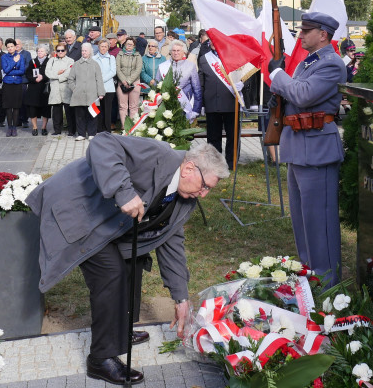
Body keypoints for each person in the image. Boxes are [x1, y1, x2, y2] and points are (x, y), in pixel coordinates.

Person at [26, 136, 229, 385]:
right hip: (80, 210)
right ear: (189, 169)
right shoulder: (157, 155)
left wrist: (181, 297)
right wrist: (123, 193)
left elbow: (171, 241)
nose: (204, 194)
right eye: (205, 186)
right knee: (111, 273)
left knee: (134, 260)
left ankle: (119, 331)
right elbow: (102, 144)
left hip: (109, 223)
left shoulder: (186, 197)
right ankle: (101, 359)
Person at [268, 12, 347, 286]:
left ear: (323, 34)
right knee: (302, 224)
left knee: (320, 225)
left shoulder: (332, 64)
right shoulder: (307, 63)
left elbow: (302, 95)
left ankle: (328, 289)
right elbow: (294, 95)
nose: (300, 35)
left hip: (317, 151)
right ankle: (308, 281)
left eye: (305, 30)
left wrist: (277, 74)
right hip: (299, 148)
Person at [198, 40, 240, 170]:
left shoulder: (233, 56)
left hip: (230, 102)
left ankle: (231, 163)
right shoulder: (204, 58)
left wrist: (242, 84)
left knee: (232, 136)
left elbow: (245, 74)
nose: (213, 42)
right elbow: (201, 82)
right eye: (211, 40)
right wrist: (202, 104)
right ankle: (214, 164)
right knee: (213, 136)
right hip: (211, 102)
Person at [157, 41, 201, 123]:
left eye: (178, 50)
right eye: (174, 50)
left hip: (186, 107)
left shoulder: (191, 66)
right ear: (170, 52)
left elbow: (197, 89)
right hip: (167, 108)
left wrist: (196, 110)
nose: (176, 53)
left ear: (183, 52)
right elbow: (157, 86)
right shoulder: (163, 66)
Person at [69, 43, 104, 141]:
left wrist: (101, 92)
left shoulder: (95, 64)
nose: (84, 53)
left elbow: (99, 80)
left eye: (86, 51)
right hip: (78, 94)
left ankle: (92, 133)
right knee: (80, 115)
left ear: (90, 52)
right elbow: (70, 79)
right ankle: (81, 134)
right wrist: (74, 88)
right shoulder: (76, 64)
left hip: (92, 94)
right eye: (82, 51)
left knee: (92, 114)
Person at [0, 38, 27, 136]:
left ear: (15, 47)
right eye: (8, 47)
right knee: (8, 106)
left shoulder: (21, 56)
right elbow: (5, 70)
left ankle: (14, 127)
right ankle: (9, 127)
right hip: (7, 84)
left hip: (17, 84)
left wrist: (11, 72)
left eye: (12, 46)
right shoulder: (4, 57)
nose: (10, 48)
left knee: (16, 107)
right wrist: (14, 62)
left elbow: (22, 71)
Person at [46, 42, 74, 136]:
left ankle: (71, 130)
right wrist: (57, 74)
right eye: (58, 50)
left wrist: (57, 76)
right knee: (56, 111)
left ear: (65, 51)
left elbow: (69, 73)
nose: (60, 52)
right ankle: (57, 130)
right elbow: (47, 72)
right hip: (55, 88)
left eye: (62, 50)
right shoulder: (52, 60)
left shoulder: (70, 61)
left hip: (66, 88)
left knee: (69, 111)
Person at [115, 37, 143, 127]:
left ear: (134, 45)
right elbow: (117, 68)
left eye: (131, 44)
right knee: (123, 106)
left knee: (133, 106)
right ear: (125, 45)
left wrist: (129, 81)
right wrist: (123, 80)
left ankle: (132, 127)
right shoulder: (119, 55)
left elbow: (138, 69)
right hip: (121, 82)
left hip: (134, 82)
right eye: (127, 44)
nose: (129, 46)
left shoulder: (138, 56)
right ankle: (124, 127)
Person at [24, 45, 51, 135]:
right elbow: (27, 74)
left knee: (45, 109)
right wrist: (34, 79)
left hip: (44, 89)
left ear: (46, 53)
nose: (39, 53)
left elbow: (51, 73)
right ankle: (35, 127)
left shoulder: (49, 61)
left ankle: (44, 127)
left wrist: (43, 77)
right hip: (33, 88)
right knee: (32, 108)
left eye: (42, 51)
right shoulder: (32, 62)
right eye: (38, 51)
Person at [93, 38, 117, 133]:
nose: (103, 48)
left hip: (109, 88)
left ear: (108, 47)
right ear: (98, 47)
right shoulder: (94, 59)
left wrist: (101, 80)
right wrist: (98, 81)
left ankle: (107, 131)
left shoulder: (111, 58)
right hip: (96, 88)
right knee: (98, 110)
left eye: (105, 46)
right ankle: (98, 129)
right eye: (102, 46)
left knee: (107, 110)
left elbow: (113, 71)